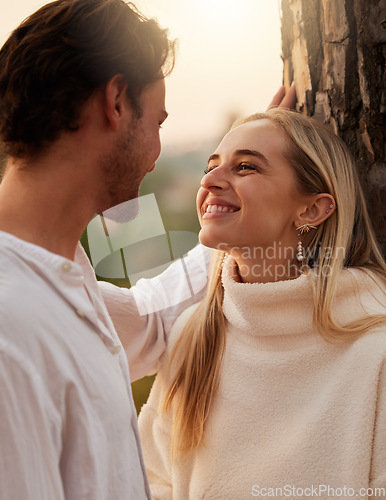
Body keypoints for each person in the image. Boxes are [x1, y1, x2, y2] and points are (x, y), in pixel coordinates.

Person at [0, 0, 296, 497]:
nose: (158, 152)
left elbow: (155, 322)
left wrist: (250, 207)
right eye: (157, 123)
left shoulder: (59, 280)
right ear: (116, 101)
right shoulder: (13, 330)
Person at [138, 108, 386, 499]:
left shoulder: (376, 350)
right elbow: (152, 482)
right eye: (212, 165)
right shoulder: (193, 334)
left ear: (311, 209)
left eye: (246, 167)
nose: (210, 180)